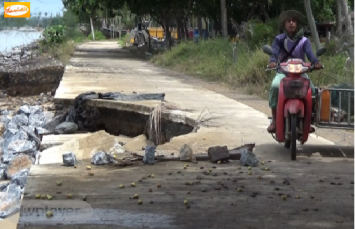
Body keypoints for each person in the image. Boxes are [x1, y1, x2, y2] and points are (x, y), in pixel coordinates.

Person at [267, 10, 322, 133]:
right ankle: (275, 121)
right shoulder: (279, 39)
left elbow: (310, 54)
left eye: (294, 21)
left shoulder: (304, 41)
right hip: (283, 72)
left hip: (300, 72)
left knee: (312, 92)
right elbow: (275, 52)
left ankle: (309, 120)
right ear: (284, 24)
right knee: (275, 86)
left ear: (297, 24)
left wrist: (316, 62)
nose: (291, 23)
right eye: (289, 21)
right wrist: (272, 61)